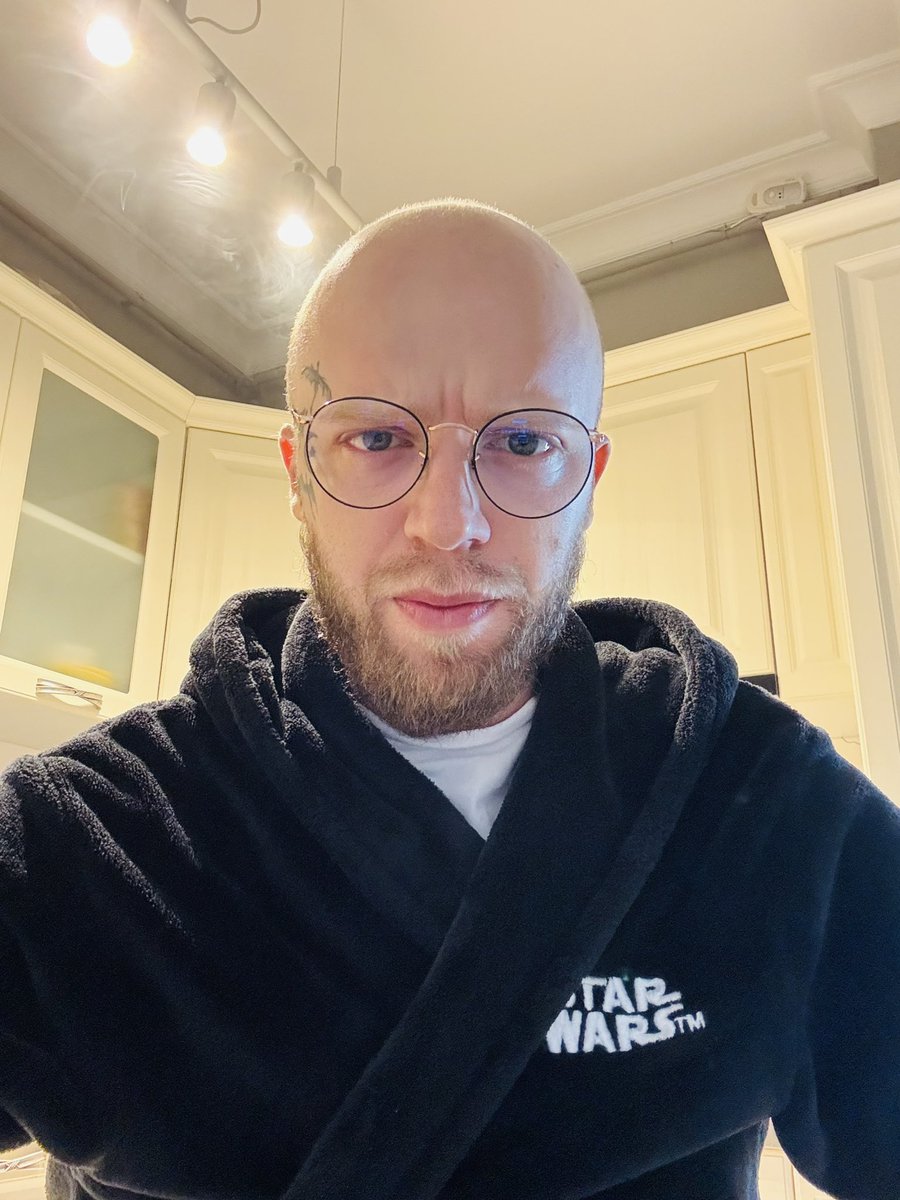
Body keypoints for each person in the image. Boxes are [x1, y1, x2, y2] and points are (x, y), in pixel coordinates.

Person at [0, 198, 898, 1200]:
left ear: (588, 479)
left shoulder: (772, 812)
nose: (447, 522)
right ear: (299, 474)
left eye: (524, 442)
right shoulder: (80, 841)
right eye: (378, 437)